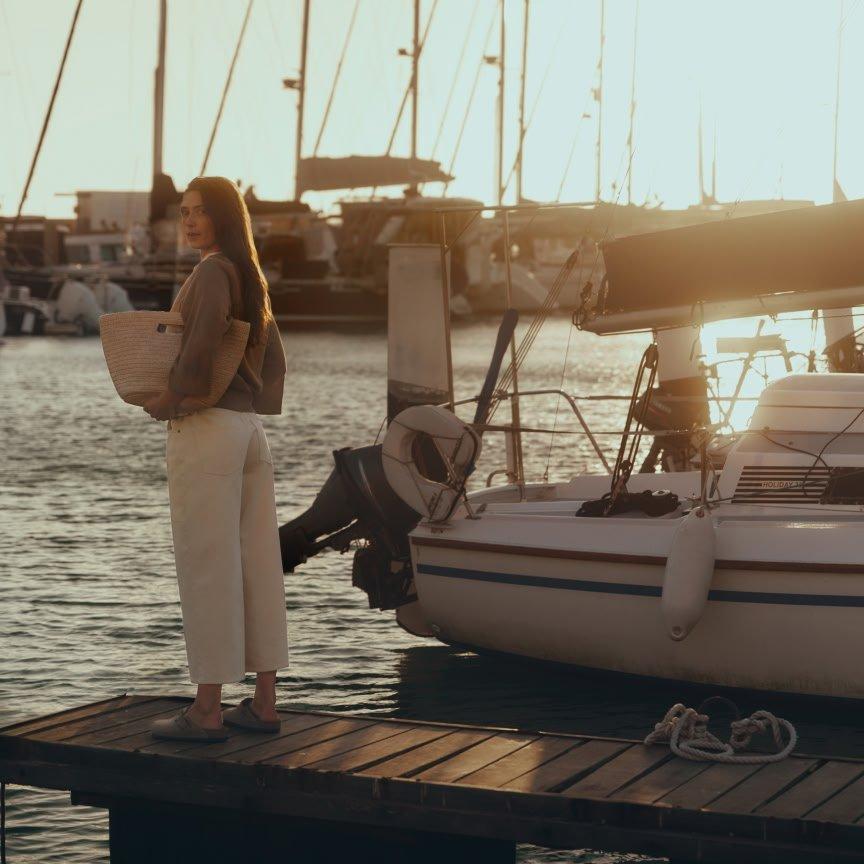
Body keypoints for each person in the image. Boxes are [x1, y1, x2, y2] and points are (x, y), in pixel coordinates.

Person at [144, 176, 289, 742]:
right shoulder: (250, 275)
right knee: (257, 567)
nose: (189, 221)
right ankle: (265, 703)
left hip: (208, 430)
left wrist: (173, 397)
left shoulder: (209, 272)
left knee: (208, 567)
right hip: (249, 431)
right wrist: (253, 400)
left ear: (225, 216)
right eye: (184, 212)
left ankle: (206, 711)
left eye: (201, 212)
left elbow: (200, 345)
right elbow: (274, 356)